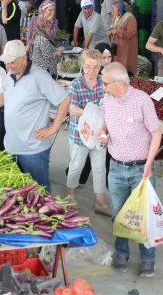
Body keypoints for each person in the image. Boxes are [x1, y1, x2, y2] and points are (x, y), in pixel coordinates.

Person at [0, 40, 71, 191]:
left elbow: (65, 99)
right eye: (6, 62)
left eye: (12, 62)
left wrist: (53, 128)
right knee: (19, 194)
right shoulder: (10, 74)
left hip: (33, 150)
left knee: (40, 194)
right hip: (11, 147)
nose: (8, 66)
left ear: (24, 58)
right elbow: (5, 96)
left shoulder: (40, 77)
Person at [97, 62, 161, 278]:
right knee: (118, 215)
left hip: (141, 170)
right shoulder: (107, 98)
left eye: (105, 83)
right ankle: (122, 253)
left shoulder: (142, 100)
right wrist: (103, 132)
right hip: (115, 167)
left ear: (120, 82)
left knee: (144, 217)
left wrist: (150, 164)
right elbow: (105, 122)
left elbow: (156, 134)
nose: (103, 87)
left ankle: (148, 259)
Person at [66, 49, 110, 216]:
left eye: (96, 67)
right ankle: (70, 195)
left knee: (99, 169)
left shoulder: (103, 82)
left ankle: (100, 202)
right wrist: (90, 112)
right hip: (80, 134)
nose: (92, 71)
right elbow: (72, 109)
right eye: (88, 67)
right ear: (83, 65)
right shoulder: (76, 84)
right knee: (76, 166)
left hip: (99, 133)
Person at [26, 0, 65, 77]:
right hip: (36, 45)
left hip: (47, 44)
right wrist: (28, 44)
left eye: (53, 10)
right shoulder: (35, 19)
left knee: (48, 63)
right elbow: (30, 33)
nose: (52, 12)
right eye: (50, 10)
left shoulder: (54, 21)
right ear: (43, 11)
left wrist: (49, 21)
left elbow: (50, 34)